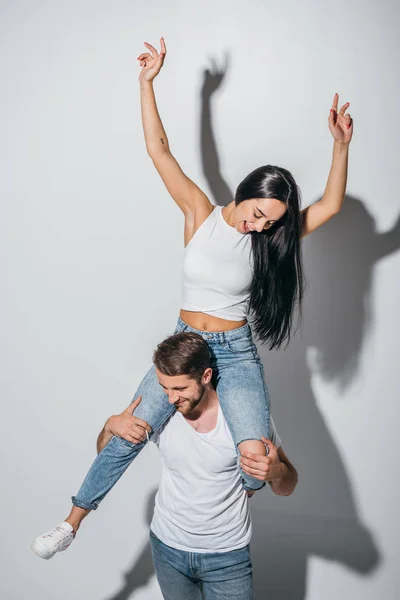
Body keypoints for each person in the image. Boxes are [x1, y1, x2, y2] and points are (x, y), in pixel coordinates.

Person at [31, 37, 353, 554]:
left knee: (254, 460)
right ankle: (70, 523)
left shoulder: (269, 241)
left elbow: (332, 205)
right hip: (187, 345)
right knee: (128, 432)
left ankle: (216, 530)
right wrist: (149, 83)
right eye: (256, 213)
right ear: (245, 191)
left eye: (270, 223)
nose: (257, 226)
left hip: (236, 351)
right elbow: (160, 150)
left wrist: (340, 145)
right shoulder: (200, 214)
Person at [33, 332, 297, 600]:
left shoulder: (243, 421)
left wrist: (276, 472)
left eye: (180, 389)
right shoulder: (165, 414)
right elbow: (108, 457)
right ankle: (69, 527)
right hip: (168, 549)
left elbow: (287, 487)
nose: (171, 398)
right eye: (164, 388)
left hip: (227, 556)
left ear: (205, 377)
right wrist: (109, 427)